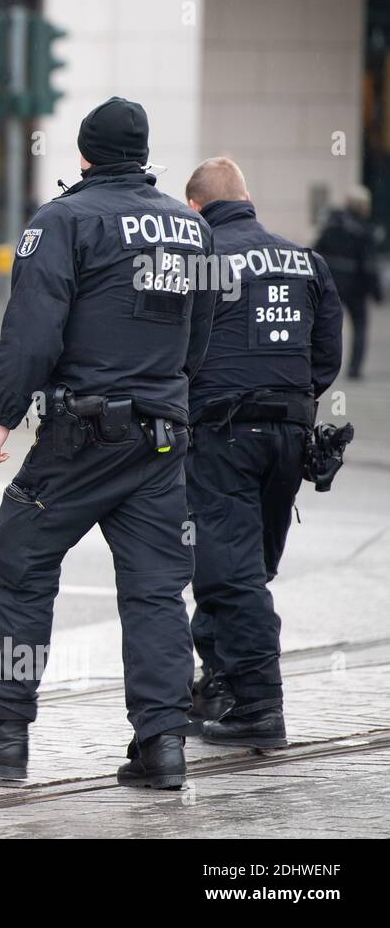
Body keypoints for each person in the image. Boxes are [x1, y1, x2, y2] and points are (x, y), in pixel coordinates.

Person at [0, 96, 214, 789]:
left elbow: (32, 330)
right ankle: (162, 744)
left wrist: (2, 416)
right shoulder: (190, 227)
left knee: (20, 556)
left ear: (85, 155)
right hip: (161, 436)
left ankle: (4, 727)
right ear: (143, 155)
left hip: (82, 436)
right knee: (154, 590)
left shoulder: (62, 221)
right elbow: (202, 331)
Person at [182, 157, 343, 745]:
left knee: (231, 575)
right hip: (291, 435)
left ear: (195, 208)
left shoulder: (200, 261)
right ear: (246, 198)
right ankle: (220, 685)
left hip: (224, 434)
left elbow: (179, 351)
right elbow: (325, 357)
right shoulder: (307, 260)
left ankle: (257, 706)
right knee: (244, 568)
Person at [314, 185, 381, 379]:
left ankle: (321, 364)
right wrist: (376, 291)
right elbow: (369, 264)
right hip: (356, 288)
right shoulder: (364, 230)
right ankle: (354, 370)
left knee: (325, 325)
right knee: (360, 326)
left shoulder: (332, 224)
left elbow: (317, 251)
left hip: (332, 283)